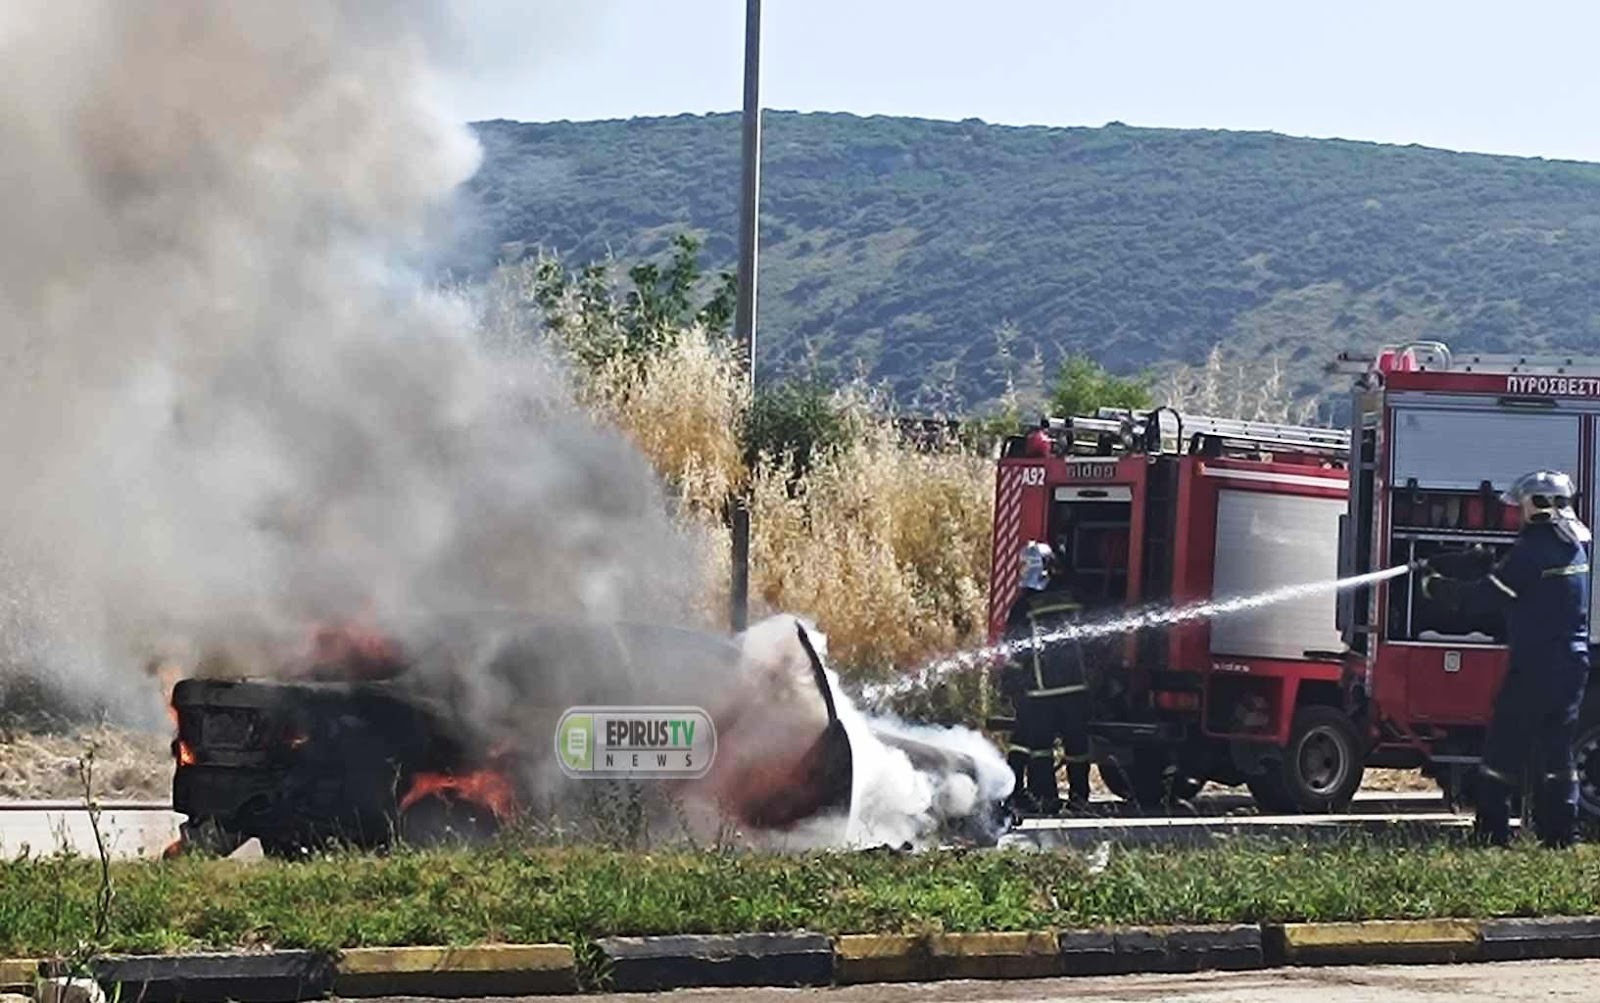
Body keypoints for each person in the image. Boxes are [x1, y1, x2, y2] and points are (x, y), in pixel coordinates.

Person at [1422, 469, 1592, 848]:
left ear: (1535, 506)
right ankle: (1561, 834)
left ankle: (1493, 832)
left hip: (1535, 667)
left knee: (1503, 750)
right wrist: (1480, 563)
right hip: (1571, 666)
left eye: (1521, 507)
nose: (1516, 515)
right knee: (1556, 752)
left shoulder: (1530, 552)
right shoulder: (1572, 546)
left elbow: (1482, 600)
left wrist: (1435, 586)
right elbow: (1529, 585)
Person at [1002, 541, 1094, 815]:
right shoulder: (1072, 598)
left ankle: (1047, 799)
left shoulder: (1024, 606)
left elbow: (1014, 648)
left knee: (1040, 746)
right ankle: (1080, 799)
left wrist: (1013, 680)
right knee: (1077, 745)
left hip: (1041, 690)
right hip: (1076, 686)